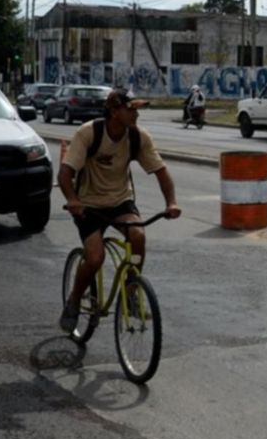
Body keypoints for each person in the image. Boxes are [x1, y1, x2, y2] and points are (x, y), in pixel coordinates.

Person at [58, 88, 181, 333]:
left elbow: (161, 171)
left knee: (138, 236)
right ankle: (73, 300)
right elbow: (64, 173)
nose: (136, 114)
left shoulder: (138, 137)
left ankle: (131, 292)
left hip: (120, 202)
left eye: (137, 109)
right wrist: (72, 199)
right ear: (114, 111)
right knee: (95, 258)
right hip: (88, 205)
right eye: (131, 109)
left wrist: (171, 202)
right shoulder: (88, 133)